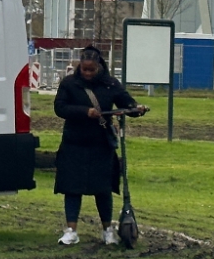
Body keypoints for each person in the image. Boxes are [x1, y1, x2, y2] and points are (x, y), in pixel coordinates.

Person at [53, 45, 147, 245]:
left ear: (99, 67)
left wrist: (136, 109)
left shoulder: (111, 84)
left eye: (91, 70)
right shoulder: (69, 83)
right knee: (72, 188)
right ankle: (71, 230)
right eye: (84, 69)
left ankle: (107, 230)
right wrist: (84, 112)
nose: (87, 73)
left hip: (101, 144)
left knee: (103, 189)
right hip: (74, 143)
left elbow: (126, 102)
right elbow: (60, 108)